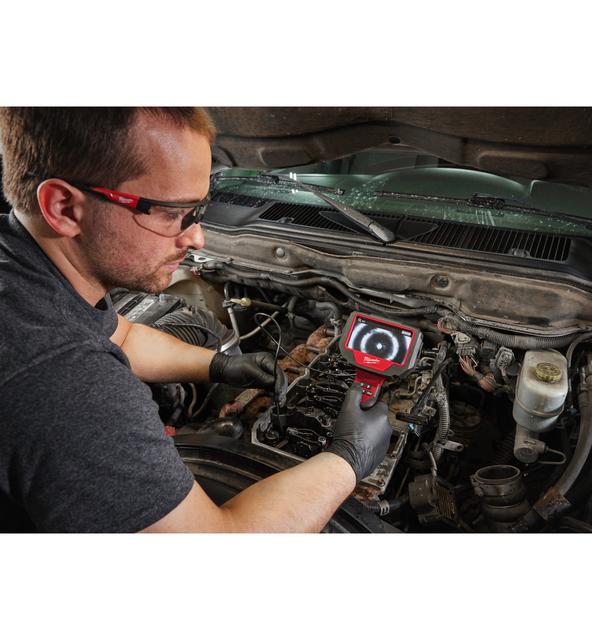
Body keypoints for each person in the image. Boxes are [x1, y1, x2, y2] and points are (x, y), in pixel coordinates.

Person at [0, 107, 392, 533]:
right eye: (173, 214)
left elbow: (122, 337)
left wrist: (220, 365)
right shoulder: (61, 376)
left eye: (200, 210)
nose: (197, 237)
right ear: (63, 207)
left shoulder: (22, 264)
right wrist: (347, 460)